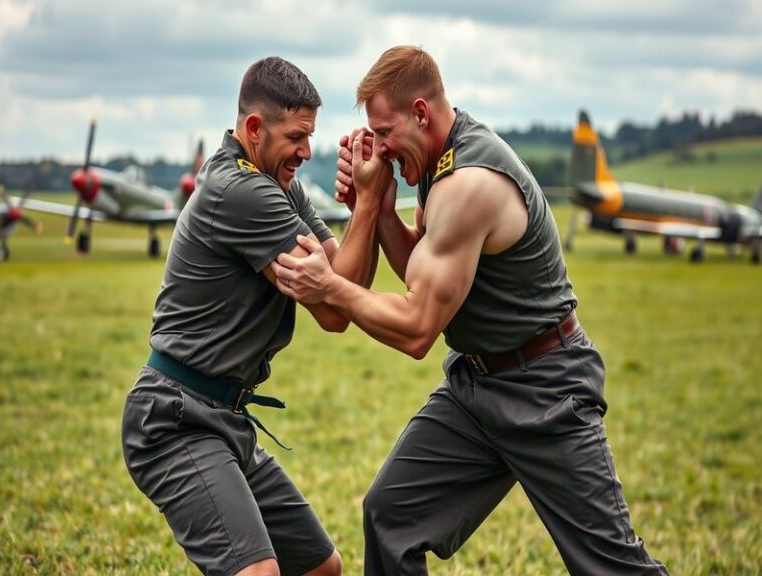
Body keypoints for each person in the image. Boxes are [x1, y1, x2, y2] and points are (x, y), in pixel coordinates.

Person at [272, 46, 670, 575]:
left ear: (421, 112)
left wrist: (330, 285)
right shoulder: (437, 163)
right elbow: (424, 267)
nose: (381, 149)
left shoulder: (469, 182)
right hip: (477, 386)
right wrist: (381, 206)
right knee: (391, 516)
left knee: (611, 567)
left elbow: (417, 329)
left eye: (386, 133)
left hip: (546, 387)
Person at [121, 56, 384, 576]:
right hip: (176, 419)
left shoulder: (280, 186)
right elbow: (334, 308)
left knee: (320, 569)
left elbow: (341, 287)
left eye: (311, 137)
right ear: (254, 128)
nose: (307, 152)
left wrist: (364, 209)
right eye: (296, 137)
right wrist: (372, 201)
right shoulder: (242, 192)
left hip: (225, 418)